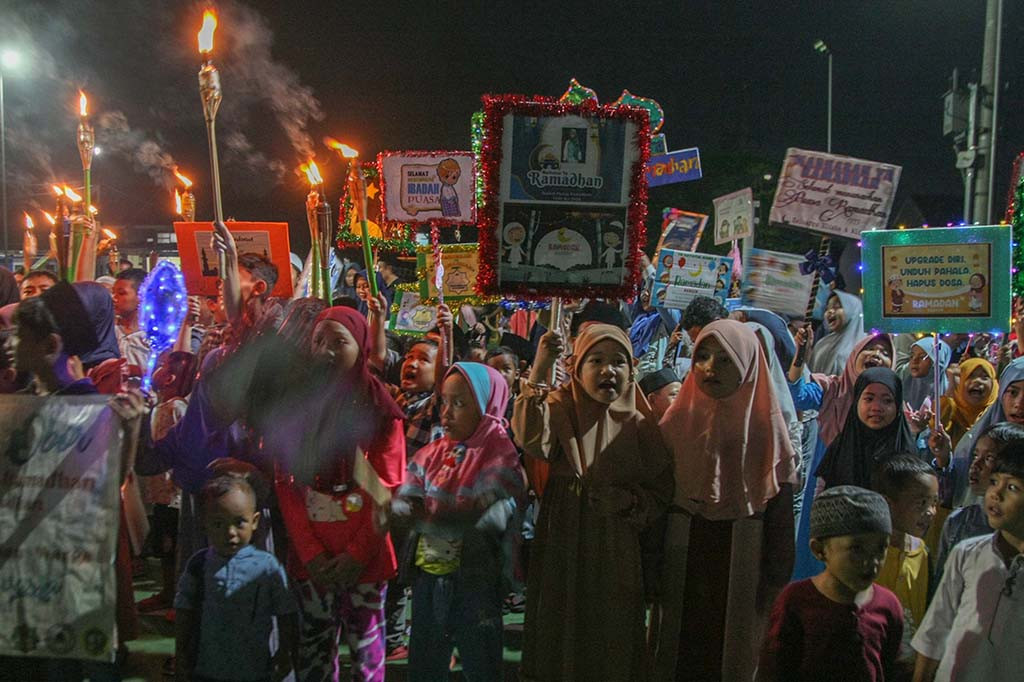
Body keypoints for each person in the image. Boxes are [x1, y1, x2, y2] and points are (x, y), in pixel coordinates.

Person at [513, 323, 673, 682]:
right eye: (596, 360)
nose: (608, 370)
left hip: (615, 540)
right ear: (576, 367)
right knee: (561, 615)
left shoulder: (640, 420)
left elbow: (660, 489)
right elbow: (531, 438)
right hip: (564, 534)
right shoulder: (559, 404)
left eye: (619, 361)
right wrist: (540, 367)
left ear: (632, 371)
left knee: (610, 623)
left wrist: (627, 502)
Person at [654, 319, 798, 682]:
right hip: (682, 549)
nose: (709, 368)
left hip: (743, 553)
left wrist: (775, 577)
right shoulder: (677, 420)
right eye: (702, 356)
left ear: (748, 364)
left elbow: (780, 512)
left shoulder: (766, 428)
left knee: (732, 653)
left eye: (725, 359)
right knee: (676, 649)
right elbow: (657, 494)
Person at [274, 306, 406, 681]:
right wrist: (312, 554)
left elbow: (388, 486)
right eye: (318, 341)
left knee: (366, 652)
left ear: (361, 346)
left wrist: (355, 555)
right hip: (312, 559)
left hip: (364, 559)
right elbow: (287, 483)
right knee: (314, 651)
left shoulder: (380, 410)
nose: (326, 351)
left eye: (339, 342)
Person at [396, 363, 526, 680]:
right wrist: (401, 508)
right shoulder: (435, 451)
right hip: (431, 573)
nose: (447, 413)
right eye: (445, 401)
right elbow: (410, 491)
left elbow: (491, 512)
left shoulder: (498, 452)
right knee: (426, 653)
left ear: (487, 406)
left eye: (461, 404)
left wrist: (439, 517)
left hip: (475, 579)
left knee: (479, 656)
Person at [757, 486, 904, 681]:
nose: (873, 561)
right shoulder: (795, 602)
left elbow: (890, 669)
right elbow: (773, 672)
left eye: (880, 548)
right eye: (857, 549)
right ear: (819, 550)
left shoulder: (888, 606)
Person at [911, 440, 1024, 681]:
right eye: (994, 482)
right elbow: (935, 630)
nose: (996, 494)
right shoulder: (967, 554)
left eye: (1013, 487)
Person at [175, 475, 298, 682]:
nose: (230, 532)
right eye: (218, 523)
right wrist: (181, 654)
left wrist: (286, 653)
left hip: (256, 670)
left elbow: (287, 614)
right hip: (207, 670)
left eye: (239, 522)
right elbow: (184, 612)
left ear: (255, 521)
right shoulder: (199, 565)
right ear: (204, 523)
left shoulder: (267, 568)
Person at [933, 421, 1024, 587]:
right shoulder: (959, 522)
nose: (976, 465)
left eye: (989, 458)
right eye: (975, 455)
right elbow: (941, 590)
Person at [873, 454, 939, 649]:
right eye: (921, 503)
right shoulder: (870, 554)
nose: (930, 512)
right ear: (887, 503)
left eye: (934, 503)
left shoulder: (922, 553)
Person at [816, 367, 915, 491]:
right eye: (869, 399)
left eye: (887, 401)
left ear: (898, 406)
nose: (876, 408)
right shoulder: (841, 447)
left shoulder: (906, 453)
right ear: (856, 401)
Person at [938, 357, 997, 450]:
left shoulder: (998, 413)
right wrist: (952, 386)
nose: (977, 381)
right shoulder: (951, 409)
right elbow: (937, 428)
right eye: (970, 376)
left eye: (984, 377)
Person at [807, 291, 865, 376]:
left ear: (853, 311)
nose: (830, 311)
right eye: (827, 308)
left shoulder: (865, 348)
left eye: (837, 307)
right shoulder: (822, 345)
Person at [113, 267, 151, 372]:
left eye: (121, 293)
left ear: (141, 296)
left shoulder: (153, 336)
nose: (114, 298)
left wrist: (139, 372)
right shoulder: (110, 332)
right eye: (113, 292)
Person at [901, 337, 952, 412]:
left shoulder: (951, 393)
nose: (914, 360)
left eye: (922, 357)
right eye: (912, 356)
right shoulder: (901, 383)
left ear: (937, 363)